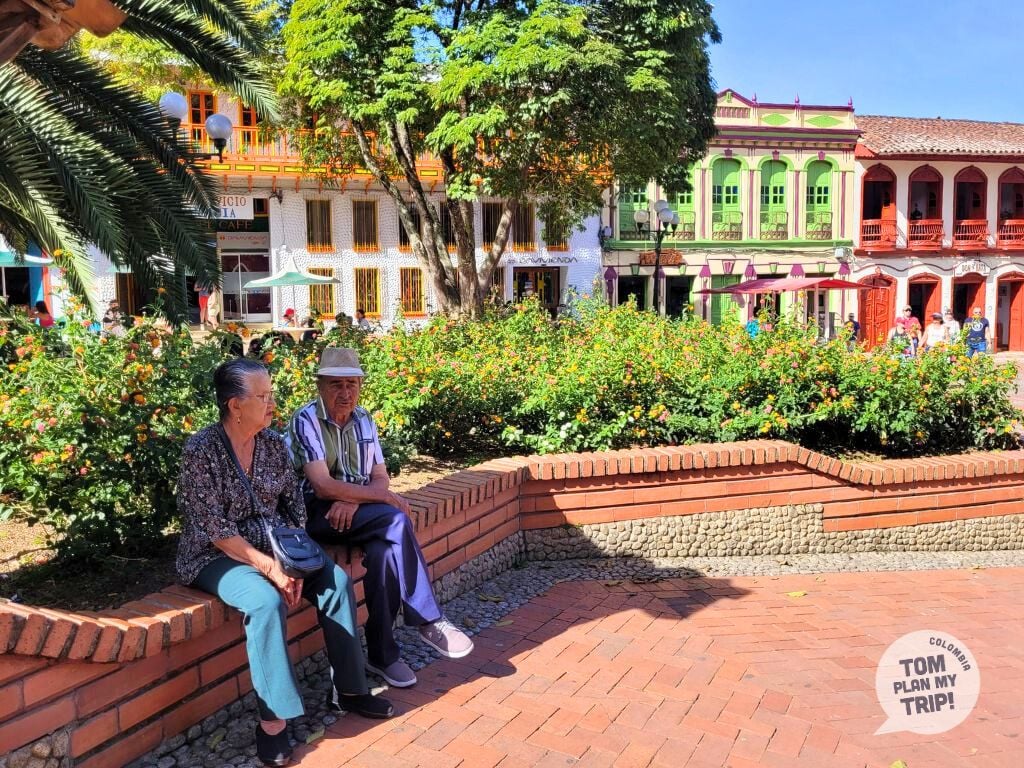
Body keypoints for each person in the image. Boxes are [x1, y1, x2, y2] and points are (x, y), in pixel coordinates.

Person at [177, 359, 393, 767]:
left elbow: (293, 510)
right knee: (263, 601)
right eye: (262, 396)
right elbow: (213, 527)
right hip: (216, 553)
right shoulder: (200, 450)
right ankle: (272, 723)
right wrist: (268, 568)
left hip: (277, 547)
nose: (272, 402)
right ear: (234, 405)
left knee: (335, 582)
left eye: (271, 394)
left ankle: (350, 689)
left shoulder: (274, 444)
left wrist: (292, 563)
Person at [287, 348, 474, 689]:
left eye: (351, 384)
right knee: (397, 521)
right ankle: (428, 619)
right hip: (316, 514)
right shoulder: (305, 420)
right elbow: (322, 486)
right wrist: (378, 497)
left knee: (385, 555)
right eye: (335, 384)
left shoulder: (365, 420)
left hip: (360, 514)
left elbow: (380, 477)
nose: (345, 393)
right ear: (320, 385)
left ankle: (382, 656)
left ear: (360, 385)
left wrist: (356, 501)